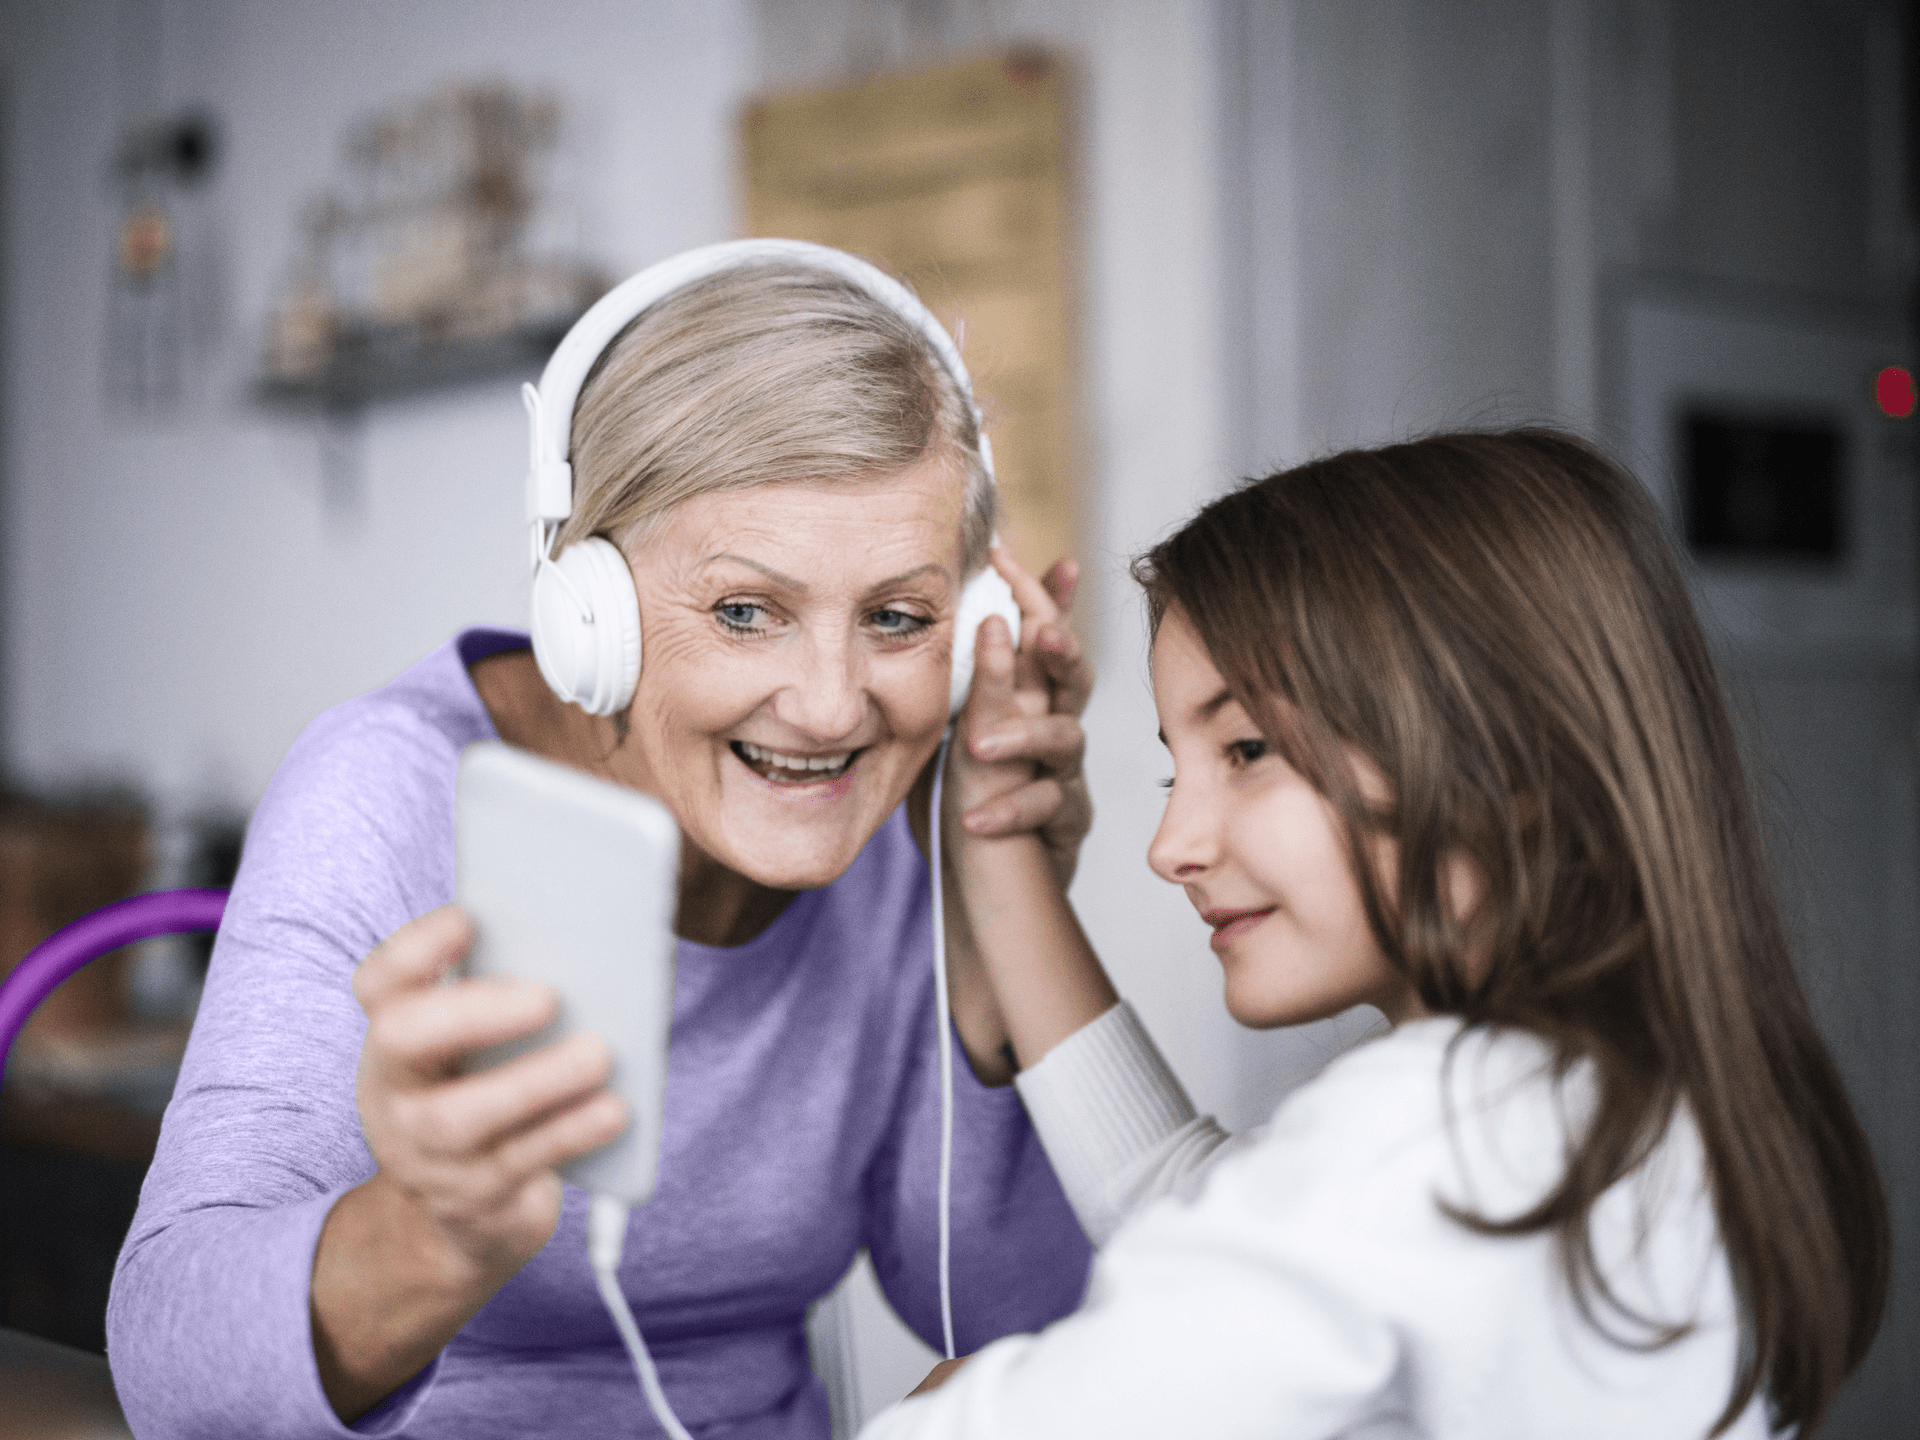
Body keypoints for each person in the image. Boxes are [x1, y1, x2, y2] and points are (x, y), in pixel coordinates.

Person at [106, 247, 1103, 1439]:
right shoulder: (385, 792)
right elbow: (165, 1365)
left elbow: (1022, 1317)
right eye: (746, 610)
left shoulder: (898, 825)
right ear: (592, 617)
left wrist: (996, 932)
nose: (836, 708)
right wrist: (429, 1235)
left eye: (898, 618)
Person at [865, 430, 1889, 1439]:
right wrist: (994, 841)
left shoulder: (1446, 1132)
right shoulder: (1612, 1100)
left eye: (1250, 749)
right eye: (1183, 767)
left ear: (1510, 763)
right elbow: (1180, 1202)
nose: (1171, 845)